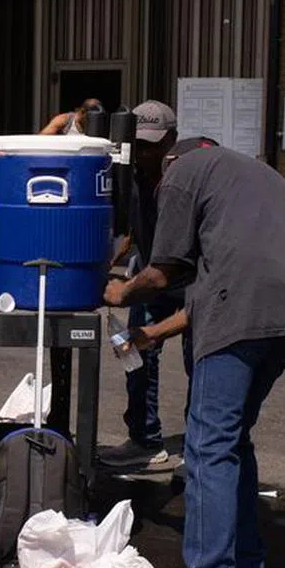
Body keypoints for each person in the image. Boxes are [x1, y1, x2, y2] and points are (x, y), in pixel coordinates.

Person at [104, 138, 285, 568]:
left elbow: (166, 271)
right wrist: (154, 331)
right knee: (231, 444)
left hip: (243, 317)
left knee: (204, 451)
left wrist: (117, 292)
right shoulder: (262, 178)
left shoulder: (183, 172)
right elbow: (221, 280)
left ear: (170, 160)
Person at [98, 100, 187, 470]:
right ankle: (144, 438)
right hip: (151, 275)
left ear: (173, 140)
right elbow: (139, 226)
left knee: (199, 362)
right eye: (139, 144)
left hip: (190, 279)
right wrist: (120, 252)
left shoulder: (183, 180)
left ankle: (201, 448)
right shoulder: (132, 177)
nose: (145, 152)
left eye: (154, 144)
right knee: (131, 349)